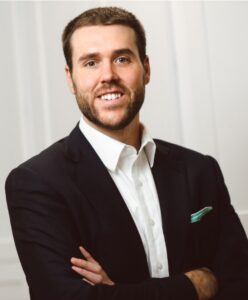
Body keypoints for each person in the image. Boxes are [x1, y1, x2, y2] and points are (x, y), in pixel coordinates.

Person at [5, 6, 248, 300]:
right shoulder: (36, 183)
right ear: (70, 79)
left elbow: (240, 281)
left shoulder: (201, 169)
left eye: (122, 59)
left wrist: (118, 292)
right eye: (91, 62)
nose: (108, 75)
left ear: (146, 69)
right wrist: (196, 284)